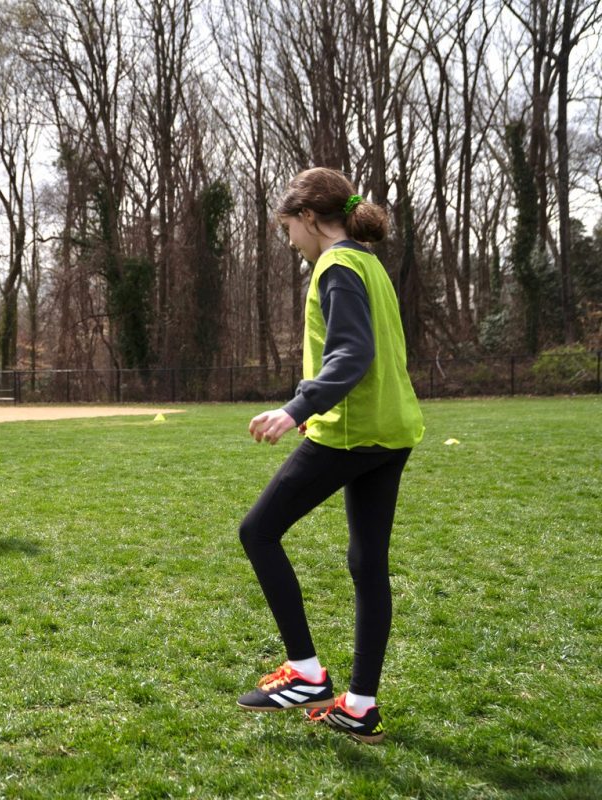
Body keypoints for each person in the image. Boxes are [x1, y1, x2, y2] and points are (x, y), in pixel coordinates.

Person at [234, 168, 424, 745]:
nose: (289, 240)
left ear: (310, 219)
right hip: (392, 431)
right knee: (368, 565)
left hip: (350, 433)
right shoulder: (371, 264)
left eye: (288, 227)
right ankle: (360, 706)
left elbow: (352, 353)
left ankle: (307, 673)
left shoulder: (336, 265)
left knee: (258, 532)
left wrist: (297, 408)